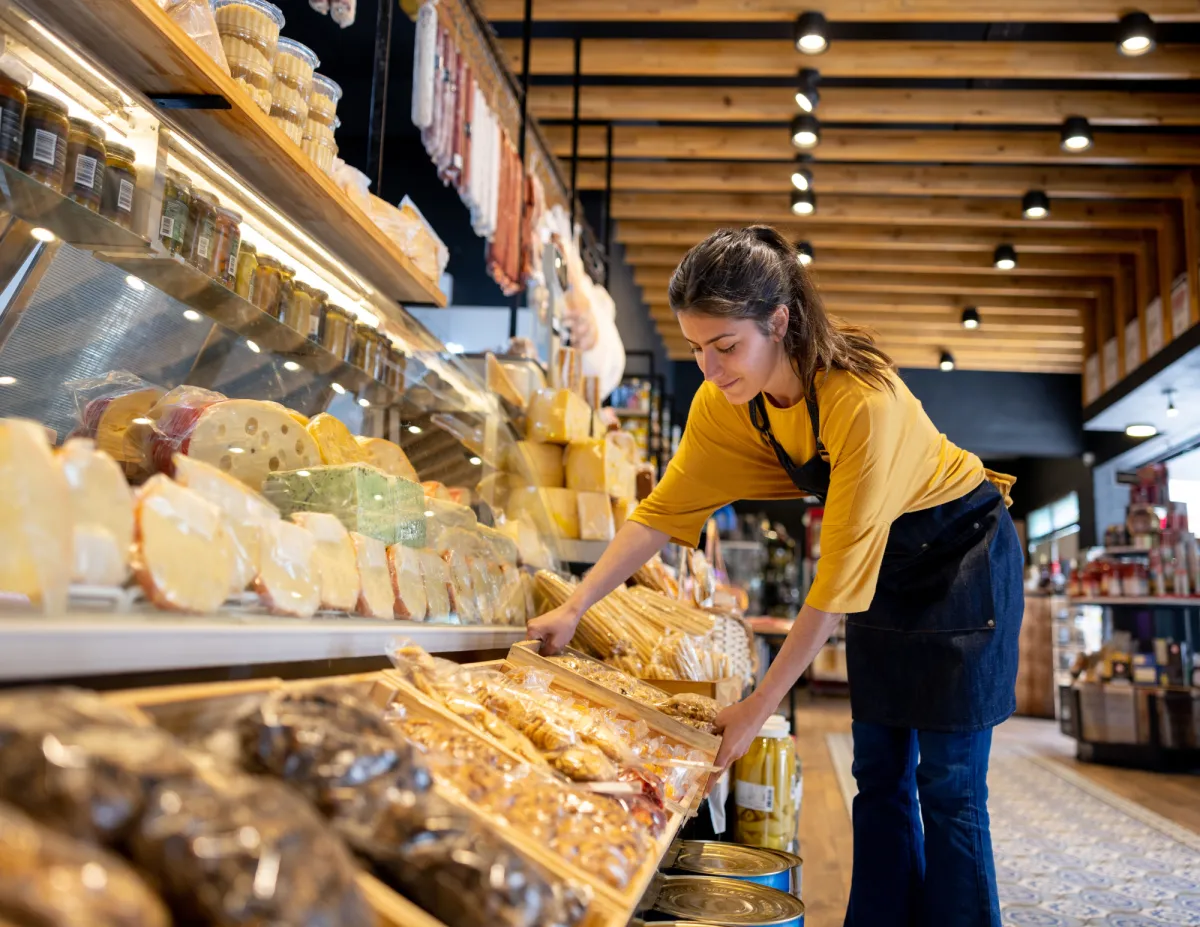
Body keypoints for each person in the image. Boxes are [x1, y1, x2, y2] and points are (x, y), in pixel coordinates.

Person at [526, 226, 1023, 927]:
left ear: (779, 321)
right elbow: (661, 512)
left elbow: (834, 586)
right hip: (886, 571)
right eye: (696, 348)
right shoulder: (725, 405)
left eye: (725, 346)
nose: (710, 368)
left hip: (963, 559)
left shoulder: (863, 402)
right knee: (879, 776)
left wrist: (757, 708)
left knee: (948, 786)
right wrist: (575, 605)